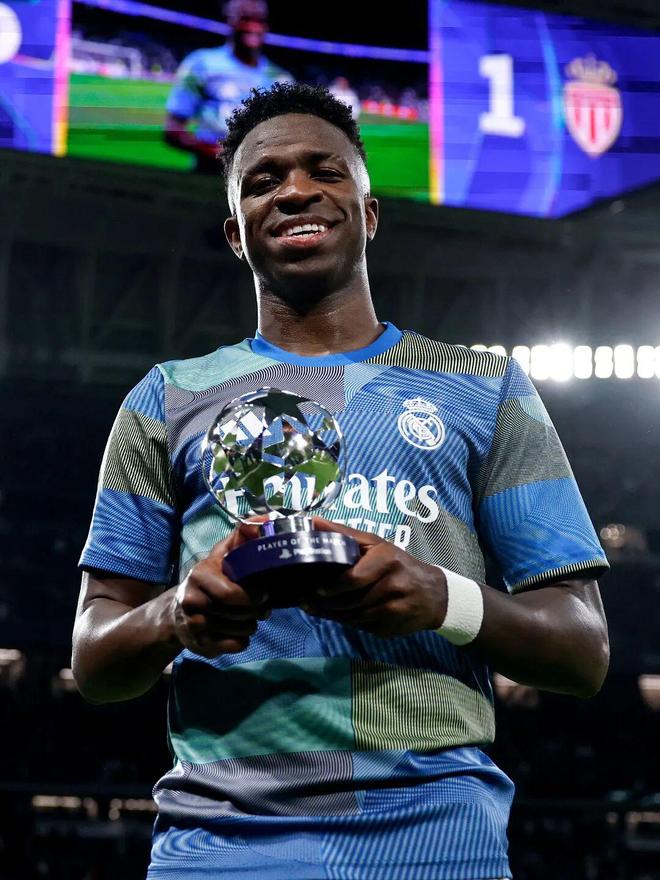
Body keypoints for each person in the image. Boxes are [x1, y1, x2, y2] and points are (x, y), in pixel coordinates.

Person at [73, 82, 610, 879]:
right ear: (235, 233)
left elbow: (583, 650)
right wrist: (175, 613)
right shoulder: (166, 398)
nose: (295, 191)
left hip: (437, 840)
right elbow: (94, 660)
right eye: (264, 180)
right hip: (218, 845)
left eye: (324, 171)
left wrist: (444, 598)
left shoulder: (484, 386)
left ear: (369, 213)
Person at [163, 0, 293, 174]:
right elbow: (172, 129)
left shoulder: (281, 79)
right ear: (229, 20)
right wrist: (215, 153)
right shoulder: (201, 64)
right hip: (208, 176)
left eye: (260, 20)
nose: (253, 26)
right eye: (245, 19)